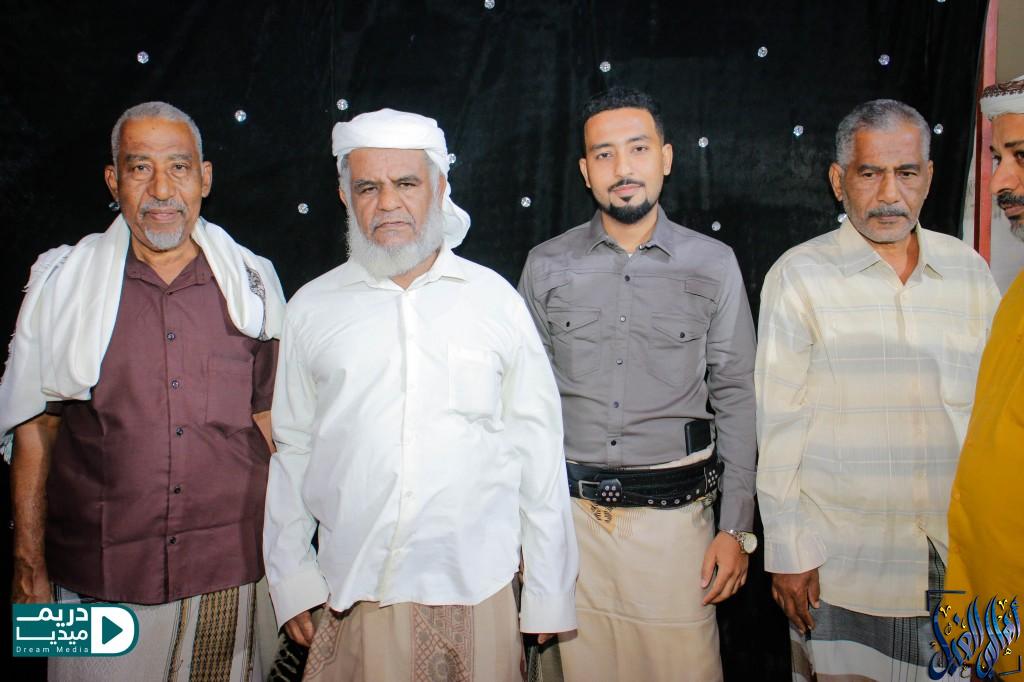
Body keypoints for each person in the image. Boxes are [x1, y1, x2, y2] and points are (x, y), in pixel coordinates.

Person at [262, 108, 578, 682]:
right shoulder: (311, 308)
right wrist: (292, 579)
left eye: (406, 183)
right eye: (368, 187)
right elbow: (294, 452)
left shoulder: (494, 301)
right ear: (344, 195)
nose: (388, 203)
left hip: (479, 589)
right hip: (353, 593)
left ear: (439, 187)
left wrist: (549, 591)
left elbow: (537, 450)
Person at [0, 101, 286, 681]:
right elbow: (35, 429)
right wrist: (28, 570)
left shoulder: (255, 284)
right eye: (139, 168)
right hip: (90, 580)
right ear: (113, 180)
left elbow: (275, 425)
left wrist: (300, 562)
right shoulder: (61, 283)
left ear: (205, 178)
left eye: (179, 167)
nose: (161, 189)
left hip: (232, 571)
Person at [518, 87, 758, 682]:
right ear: (585, 171)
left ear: (666, 158)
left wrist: (736, 528)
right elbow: (519, 409)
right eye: (604, 155)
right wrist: (522, 533)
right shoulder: (545, 266)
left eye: (638, 149)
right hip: (569, 529)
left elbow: (736, 396)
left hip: (676, 535)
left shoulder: (714, 264)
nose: (622, 168)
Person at [755, 99, 1000, 681]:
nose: (890, 193)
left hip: (961, 560)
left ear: (929, 178)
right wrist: (788, 551)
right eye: (870, 173)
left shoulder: (969, 272)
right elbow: (779, 425)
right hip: (846, 568)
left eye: (907, 172)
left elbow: (993, 415)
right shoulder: (799, 277)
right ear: (838, 181)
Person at [943, 75, 1024, 680]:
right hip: (993, 618)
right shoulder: (1016, 292)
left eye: (1019, 157)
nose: (998, 182)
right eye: (998, 159)